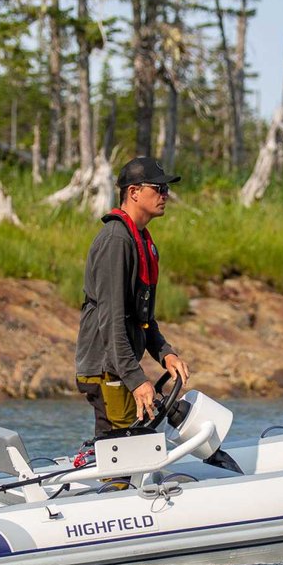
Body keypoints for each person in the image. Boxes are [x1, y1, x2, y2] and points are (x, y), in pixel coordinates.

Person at [74, 156, 191, 446]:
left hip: (117, 366)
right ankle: (111, 474)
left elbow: (143, 318)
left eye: (166, 189)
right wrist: (137, 379)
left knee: (122, 445)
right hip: (106, 369)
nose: (165, 195)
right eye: (159, 188)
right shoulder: (116, 241)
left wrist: (165, 353)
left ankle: (105, 468)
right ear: (134, 192)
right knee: (130, 447)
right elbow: (111, 320)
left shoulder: (139, 239)